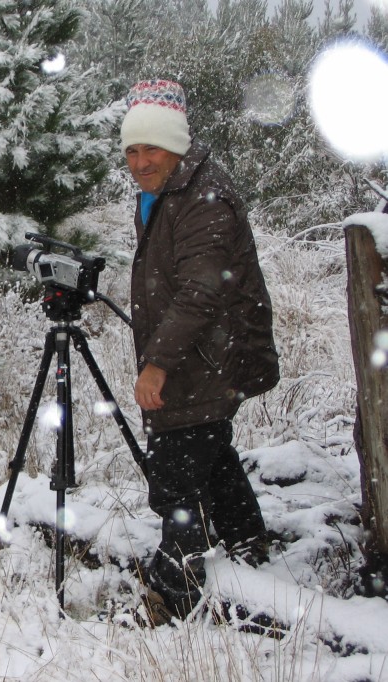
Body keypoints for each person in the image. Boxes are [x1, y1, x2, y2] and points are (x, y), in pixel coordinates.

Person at [119, 79, 280, 623]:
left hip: (213, 356)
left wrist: (157, 363)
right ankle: (246, 544)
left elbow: (202, 291)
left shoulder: (205, 197)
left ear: (177, 147)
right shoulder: (165, 190)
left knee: (176, 475)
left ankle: (173, 595)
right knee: (207, 452)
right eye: (131, 150)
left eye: (151, 149)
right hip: (204, 353)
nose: (140, 162)